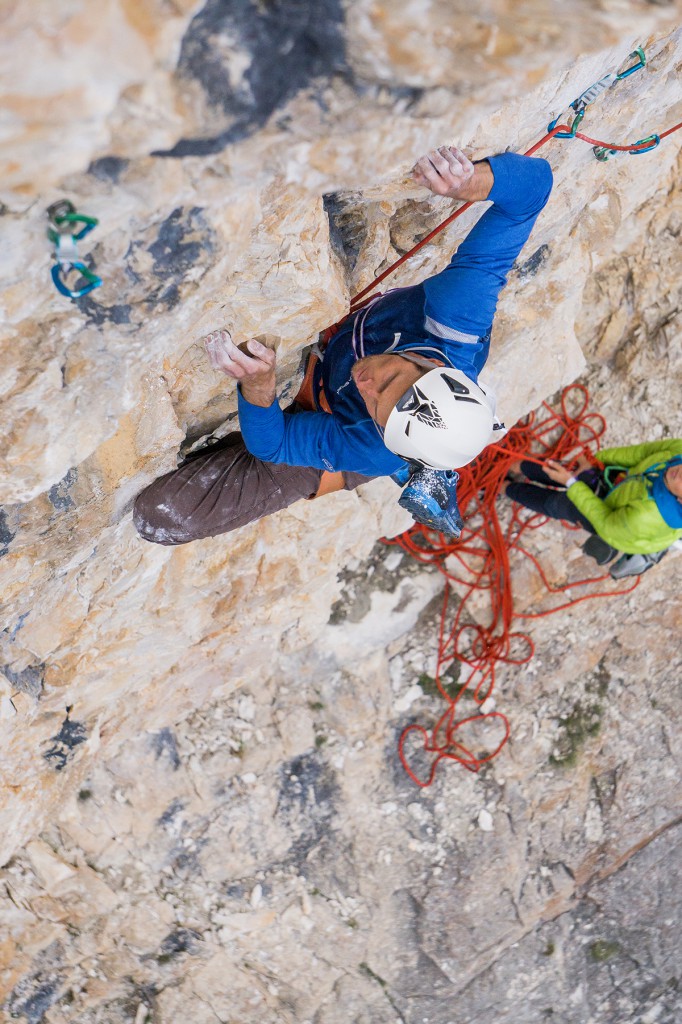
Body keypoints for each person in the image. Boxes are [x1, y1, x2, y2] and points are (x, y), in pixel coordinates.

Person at [134, 146, 553, 546]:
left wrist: (259, 387)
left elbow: (273, 446)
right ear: (428, 364)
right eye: (390, 380)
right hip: (360, 408)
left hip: (337, 429)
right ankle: (432, 463)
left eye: (376, 404)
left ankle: (423, 467)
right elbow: (534, 190)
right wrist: (472, 182)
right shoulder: (454, 317)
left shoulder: (374, 447)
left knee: (159, 517)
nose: (367, 383)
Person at [503, 441, 682, 571]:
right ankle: (512, 465)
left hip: (613, 523)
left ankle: (503, 488)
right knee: (571, 472)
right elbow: (640, 453)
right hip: (628, 488)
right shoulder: (679, 452)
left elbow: (604, 520)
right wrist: (596, 460)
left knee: (559, 504)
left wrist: (573, 485)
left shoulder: (646, 517)